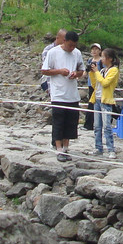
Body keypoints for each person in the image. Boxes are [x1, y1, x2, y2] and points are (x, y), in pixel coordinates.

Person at [40, 30, 84, 161]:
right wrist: (59, 71)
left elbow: (81, 70)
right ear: (64, 41)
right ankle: (58, 149)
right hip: (58, 93)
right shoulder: (53, 52)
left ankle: (66, 148)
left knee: (71, 123)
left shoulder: (77, 53)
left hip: (72, 94)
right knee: (58, 122)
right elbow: (44, 70)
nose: (72, 48)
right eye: (70, 45)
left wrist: (76, 74)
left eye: (74, 46)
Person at [89, 48, 120, 158]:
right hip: (97, 100)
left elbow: (105, 83)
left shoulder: (113, 70)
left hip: (106, 101)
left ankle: (111, 149)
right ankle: (98, 147)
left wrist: (96, 72)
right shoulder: (102, 71)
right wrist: (92, 73)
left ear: (110, 58)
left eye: (103, 56)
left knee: (107, 126)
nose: (101, 59)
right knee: (97, 126)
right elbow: (95, 84)